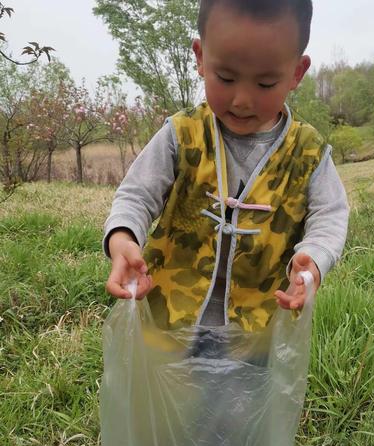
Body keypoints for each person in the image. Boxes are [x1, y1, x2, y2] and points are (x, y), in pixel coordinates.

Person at [104, 0, 349, 331]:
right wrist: (122, 240)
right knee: (171, 384)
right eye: (226, 77)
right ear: (201, 58)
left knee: (247, 385)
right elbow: (136, 195)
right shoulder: (182, 134)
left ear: (296, 73)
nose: (242, 100)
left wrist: (313, 262)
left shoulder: (308, 153)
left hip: (257, 321)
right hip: (172, 312)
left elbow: (330, 215)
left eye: (264, 84)